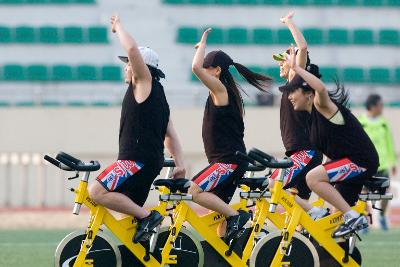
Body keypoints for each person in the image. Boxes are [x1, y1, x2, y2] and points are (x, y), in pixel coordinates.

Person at [88, 15, 185, 244]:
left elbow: (131, 48)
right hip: (149, 161)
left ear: (141, 67)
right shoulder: (160, 97)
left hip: (135, 161)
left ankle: (149, 217)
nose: (126, 68)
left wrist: (117, 26)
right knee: (127, 225)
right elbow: (170, 135)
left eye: (128, 64)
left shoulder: (144, 84)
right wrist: (180, 163)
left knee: (96, 192)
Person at [281, 46, 379, 237]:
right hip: (350, 163)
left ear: (308, 94)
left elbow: (320, 88)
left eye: (293, 92)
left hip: (361, 161)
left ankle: (353, 217)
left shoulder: (321, 105)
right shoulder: (310, 121)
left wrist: (298, 68)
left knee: (312, 178)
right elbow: (331, 152)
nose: (290, 96)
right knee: (334, 223)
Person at [190, 28, 272, 242]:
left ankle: (237, 216)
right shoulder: (221, 90)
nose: (204, 72)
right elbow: (200, 68)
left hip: (228, 161)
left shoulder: (221, 91)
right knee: (218, 221)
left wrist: (203, 44)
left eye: (209, 68)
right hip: (229, 161)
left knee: (194, 190)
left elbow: (195, 68)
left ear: (217, 71)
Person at [270, 11, 323, 218]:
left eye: (283, 60)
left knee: (274, 184)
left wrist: (289, 23)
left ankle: (317, 212)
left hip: (305, 152)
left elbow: (302, 47)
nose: (280, 64)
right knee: (295, 205)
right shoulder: (289, 86)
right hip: (299, 152)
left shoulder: (297, 81)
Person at [359, 94, 397, 230]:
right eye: (380, 105)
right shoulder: (361, 122)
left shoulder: (383, 123)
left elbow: (389, 143)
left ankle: (381, 217)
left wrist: (393, 162)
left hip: (383, 164)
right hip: (366, 164)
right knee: (363, 193)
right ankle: (364, 220)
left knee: (385, 193)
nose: (382, 108)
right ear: (373, 106)